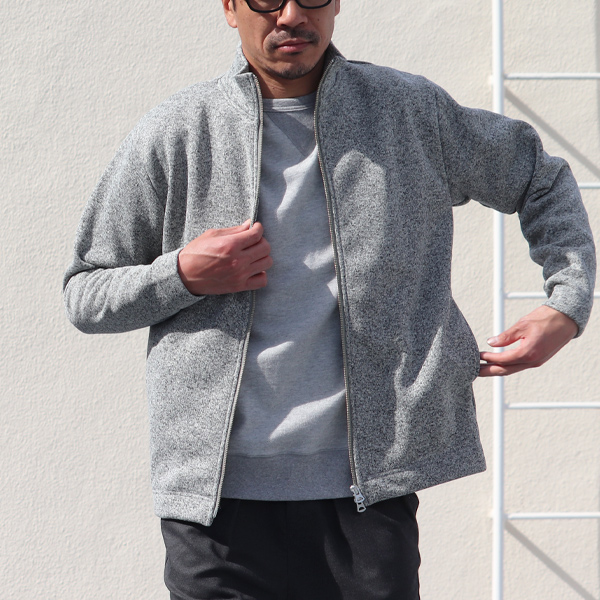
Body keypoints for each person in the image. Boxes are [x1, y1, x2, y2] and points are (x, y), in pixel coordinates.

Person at [63, 0, 596, 598]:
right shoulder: (179, 130)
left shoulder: (407, 112)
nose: (291, 14)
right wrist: (182, 275)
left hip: (368, 497)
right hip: (215, 508)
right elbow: (86, 291)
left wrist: (565, 304)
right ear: (230, 7)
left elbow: (540, 177)